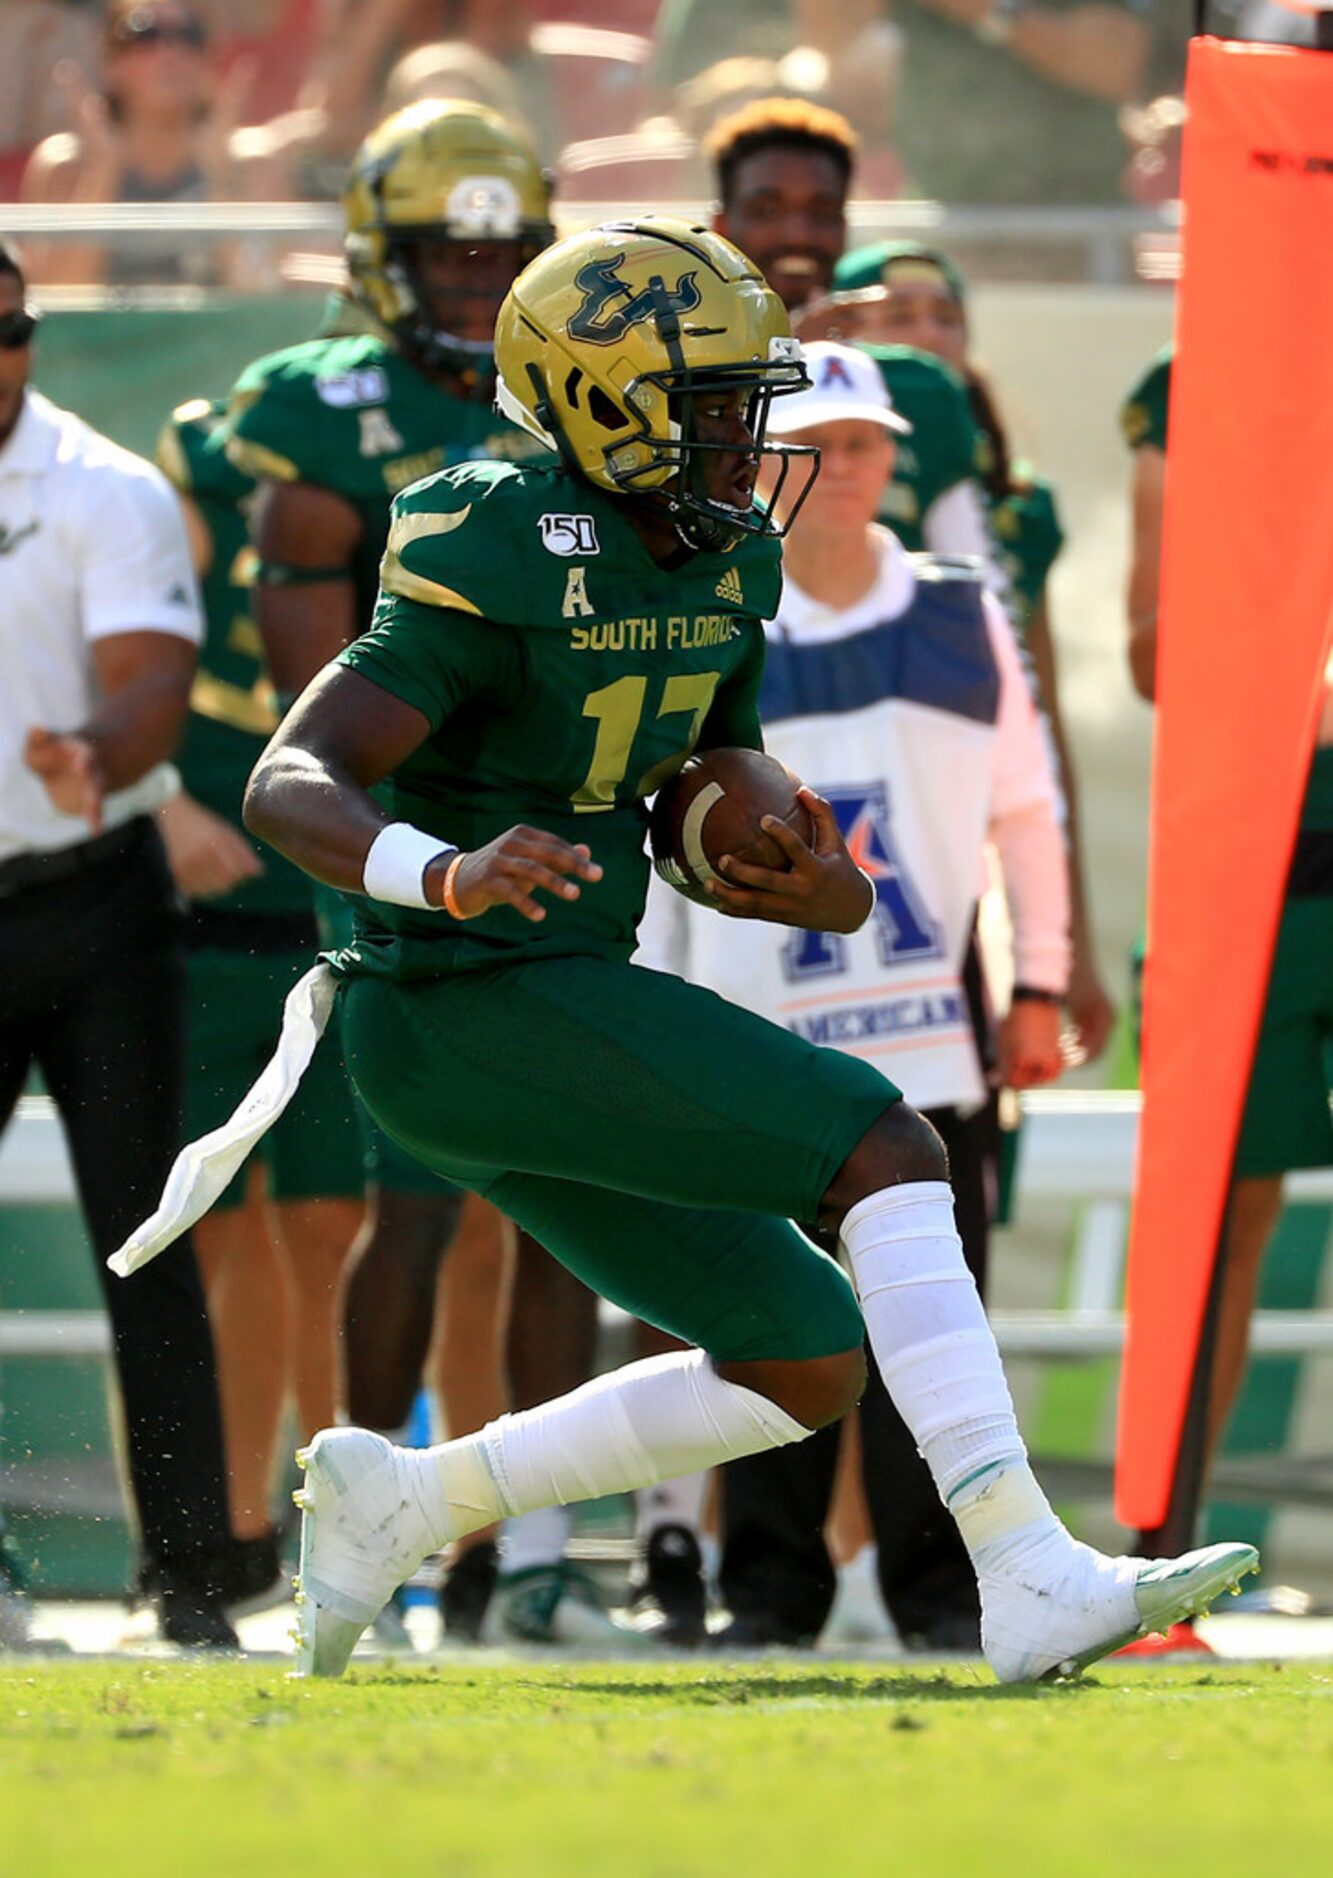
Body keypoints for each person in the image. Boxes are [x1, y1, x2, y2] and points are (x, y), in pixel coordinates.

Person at [219, 216, 1253, 1680]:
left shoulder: (721, 560)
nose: (744, 441)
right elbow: (291, 779)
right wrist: (443, 870)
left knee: (802, 1351)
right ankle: (1024, 1567)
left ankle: (413, 1497)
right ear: (598, 403)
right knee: (885, 1147)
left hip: (548, 996)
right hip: (452, 998)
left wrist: (795, 872)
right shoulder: (497, 537)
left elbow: (708, 785)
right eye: (712, 408)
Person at [635, 341, 1070, 1650]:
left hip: (929, 1050)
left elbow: (1026, 807)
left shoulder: (957, 604)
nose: (843, 471)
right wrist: (651, 1003)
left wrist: (1039, 976)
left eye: (869, 444)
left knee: (935, 1339)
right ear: (763, 461)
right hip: (744, 1044)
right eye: (813, 444)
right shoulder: (713, 610)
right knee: (766, 1329)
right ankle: (766, 1595)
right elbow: (652, 831)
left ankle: (947, 1596)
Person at [223, 97, 556, 1641]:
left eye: (503, 250)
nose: (480, 278)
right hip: (406, 843)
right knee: (414, 1198)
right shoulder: (316, 417)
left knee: (555, 1195)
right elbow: (321, 725)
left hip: (562, 827)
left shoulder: (572, 394)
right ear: (381, 255)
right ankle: (369, 1533)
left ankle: (528, 1556)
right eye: (448, 249)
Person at [0, 238, 235, 1648]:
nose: (2, 360)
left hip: (93, 902)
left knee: (146, 1238)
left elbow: (153, 682)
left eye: (13, 333)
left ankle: (194, 1577)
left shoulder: (105, 487)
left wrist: (97, 750)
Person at [1120, 349, 1333, 1635]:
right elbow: (1155, 653)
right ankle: (1168, 1559)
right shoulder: (1198, 383)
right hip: (1261, 849)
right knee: (1219, 1209)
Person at [153, 395, 366, 1611]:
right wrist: (157, 806)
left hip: (332, 942)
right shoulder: (142, 583)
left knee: (340, 1236)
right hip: (187, 950)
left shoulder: (388, 579)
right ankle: (219, 1544)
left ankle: (354, 1540)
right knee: (210, 1240)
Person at [827, 239, 1116, 1064]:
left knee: (980, 1094)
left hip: (977, 829)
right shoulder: (803, 482)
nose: (927, 334)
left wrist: (1066, 951)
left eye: (945, 316)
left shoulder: (1018, 509)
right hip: (853, 823)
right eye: (897, 315)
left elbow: (1039, 720)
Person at [20, 1, 262, 290]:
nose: (169, 52)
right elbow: (58, 297)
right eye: (146, 34)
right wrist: (103, 168)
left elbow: (257, 296)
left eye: (189, 36)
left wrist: (219, 176)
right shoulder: (65, 166)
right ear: (112, 65)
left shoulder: (251, 165)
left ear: (208, 63)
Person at [888, 0, 1155, 206]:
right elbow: (850, 57)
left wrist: (994, 11)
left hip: (1071, 225)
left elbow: (1117, 64)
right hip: (939, 219)